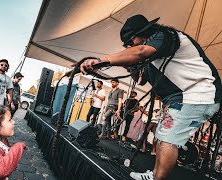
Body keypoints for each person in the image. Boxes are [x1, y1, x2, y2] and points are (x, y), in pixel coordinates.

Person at [80, 14, 221, 180]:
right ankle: (155, 175)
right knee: (162, 138)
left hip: (198, 95)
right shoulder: (153, 56)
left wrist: (101, 61)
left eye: (130, 42)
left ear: (142, 34)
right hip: (180, 98)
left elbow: (139, 51)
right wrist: (128, 65)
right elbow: (140, 79)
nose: (128, 46)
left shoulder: (166, 36)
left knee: (168, 139)